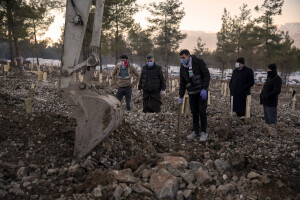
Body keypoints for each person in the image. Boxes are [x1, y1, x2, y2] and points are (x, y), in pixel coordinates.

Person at [178, 49, 210, 141]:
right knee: (194, 112)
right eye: (181, 58)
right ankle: (196, 131)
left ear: (189, 56)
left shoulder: (198, 62)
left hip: (201, 92)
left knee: (202, 111)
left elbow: (206, 75)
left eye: (183, 57)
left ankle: (204, 132)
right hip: (192, 93)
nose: (182, 60)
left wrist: (205, 88)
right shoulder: (182, 67)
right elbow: (182, 82)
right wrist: (181, 96)